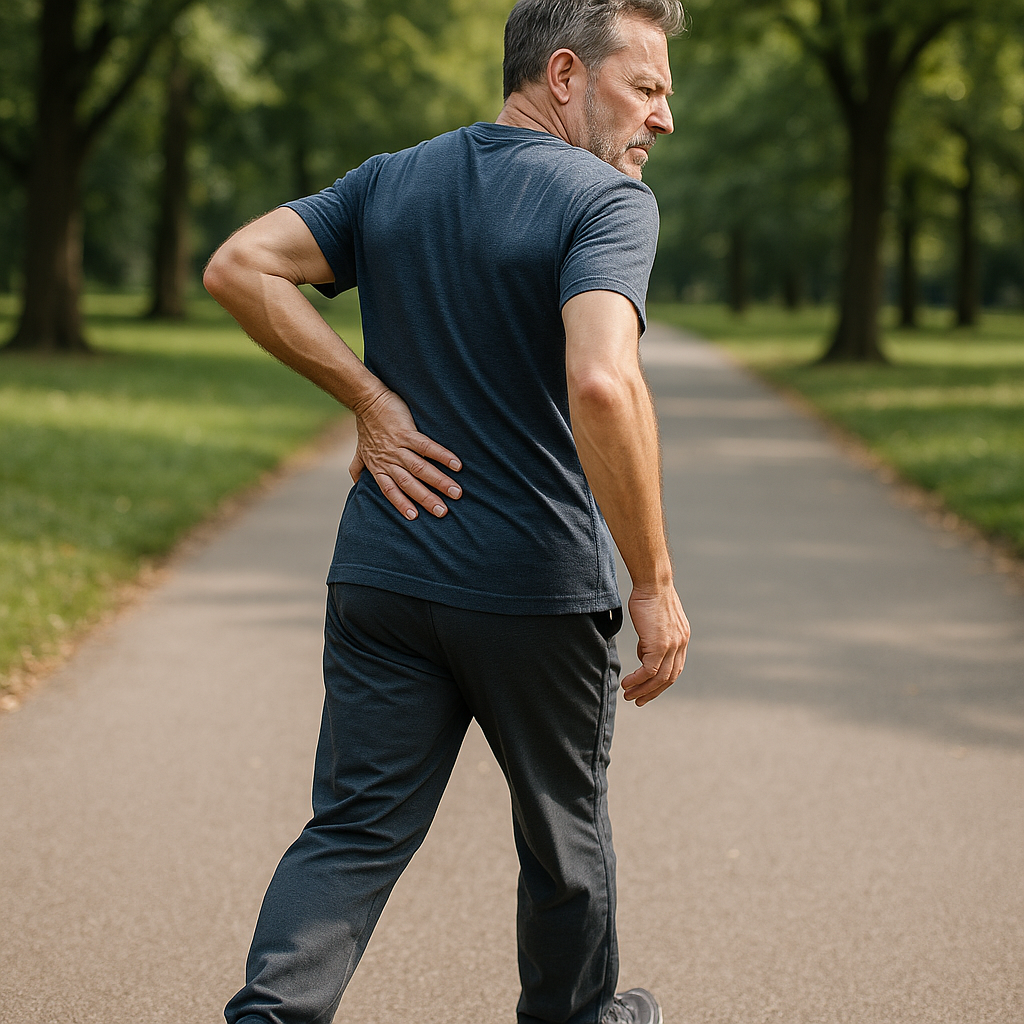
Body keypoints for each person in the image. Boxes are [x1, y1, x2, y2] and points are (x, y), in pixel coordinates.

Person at [203, 1, 690, 1021]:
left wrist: (369, 402)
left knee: (350, 830)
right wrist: (652, 580)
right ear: (565, 75)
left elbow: (241, 264)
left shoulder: (391, 178)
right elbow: (603, 383)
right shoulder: (605, 203)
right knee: (563, 836)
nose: (662, 119)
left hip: (383, 572)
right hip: (535, 590)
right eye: (644, 88)